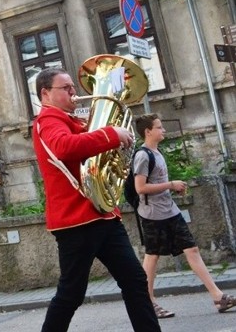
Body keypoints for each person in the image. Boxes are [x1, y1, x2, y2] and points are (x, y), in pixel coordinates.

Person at [32, 67, 160, 332]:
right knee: (71, 294)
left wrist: (111, 134)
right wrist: (111, 135)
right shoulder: (48, 120)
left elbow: (90, 145)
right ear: (46, 93)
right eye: (65, 88)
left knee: (135, 280)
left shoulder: (71, 119)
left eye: (72, 87)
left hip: (101, 214)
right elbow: (64, 147)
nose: (74, 92)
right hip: (76, 220)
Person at [133, 113, 236, 317]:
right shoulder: (143, 155)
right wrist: (171, 185)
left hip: (169, 210)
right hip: (153, 214)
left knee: (192, 249)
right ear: (148, 131)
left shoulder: (157, 152)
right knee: (152, 256)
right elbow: (140, 187)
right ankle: (148, 302)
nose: (163, 130)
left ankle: (218, 297)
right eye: (159, 127)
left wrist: (173, 188)